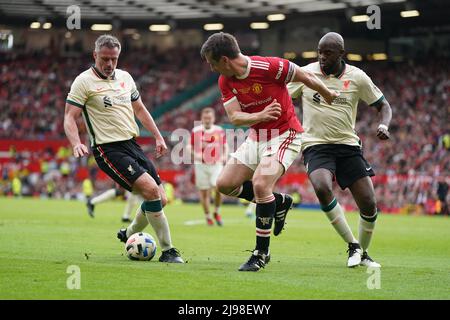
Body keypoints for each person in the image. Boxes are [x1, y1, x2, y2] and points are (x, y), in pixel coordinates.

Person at [200, 32, 338, 271]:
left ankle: (261, 253)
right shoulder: (226, 80)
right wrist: (260, 116)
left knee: (261, 184)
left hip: (286, 134)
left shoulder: (270, 66)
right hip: (257, 137)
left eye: (212, 63)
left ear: (224, 60)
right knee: (224, 184)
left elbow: (304, 75)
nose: (211, 69)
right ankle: (279, 202)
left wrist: (327, 94)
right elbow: (234, 117)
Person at [64, 34, 183, 263]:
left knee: (161, 198)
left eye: (114, 59)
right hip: (108, 149)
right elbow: (70, 117)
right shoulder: (83, 81)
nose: (109, 64)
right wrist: (76, 142)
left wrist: (158, 136)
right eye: (105, 59)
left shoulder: (126, 78)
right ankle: (169, 251)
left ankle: (127, 234)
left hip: (132, 144)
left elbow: (140, 110)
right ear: (95, 56)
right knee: (150, 191)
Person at [288, 32, 392, 268]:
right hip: (316, 145)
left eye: (328, 53)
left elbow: (383, 105)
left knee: (368, 202)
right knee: (322, 186)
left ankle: (363, 253)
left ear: (341, 54)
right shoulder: (306, 73)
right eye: (319, 52)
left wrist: (384, 124)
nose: (322, 57)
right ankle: (352, 245)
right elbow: (283, 96)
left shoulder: (357, 77)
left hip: (347, 146)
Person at [189, 107, 227, 226]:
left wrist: (224, 157)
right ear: (202, 118)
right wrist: (196, 155)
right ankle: (208, 216)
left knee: (219, 188)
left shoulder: (219, 130)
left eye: (209, 118)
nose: (207, 120)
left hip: (216, 164)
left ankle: (216, 211)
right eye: (205, 118)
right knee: (204, 192)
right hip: (201, 165)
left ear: (213, 118)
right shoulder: (196, 131)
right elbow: (189, 147)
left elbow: (225, 146)